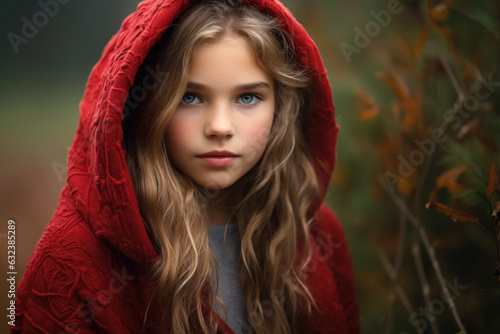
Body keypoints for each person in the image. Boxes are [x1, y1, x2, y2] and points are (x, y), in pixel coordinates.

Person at [12, 0, 359, 333]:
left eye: (248, 97)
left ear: (280, 108)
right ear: (145, 105)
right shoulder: (71, 264)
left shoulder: (315, 234)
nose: (220, 127)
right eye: (189, 97)